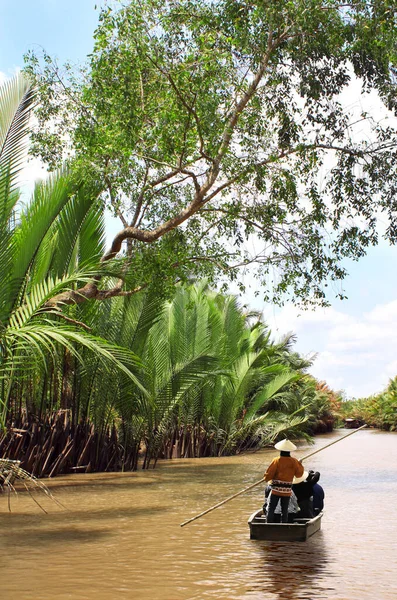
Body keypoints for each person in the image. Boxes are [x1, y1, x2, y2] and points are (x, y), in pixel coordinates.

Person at [263, 439, 304, 523]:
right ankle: (284, 525)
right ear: (289, 451)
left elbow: (269, 474)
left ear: (280, 450)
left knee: (271, 508)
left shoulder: (276, 460)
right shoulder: (294, 461)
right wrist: (299, 464)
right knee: (284, 510)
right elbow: (299, 474)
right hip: (287, 491)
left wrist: (266, 478)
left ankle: (268, 524)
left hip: (276, 490)